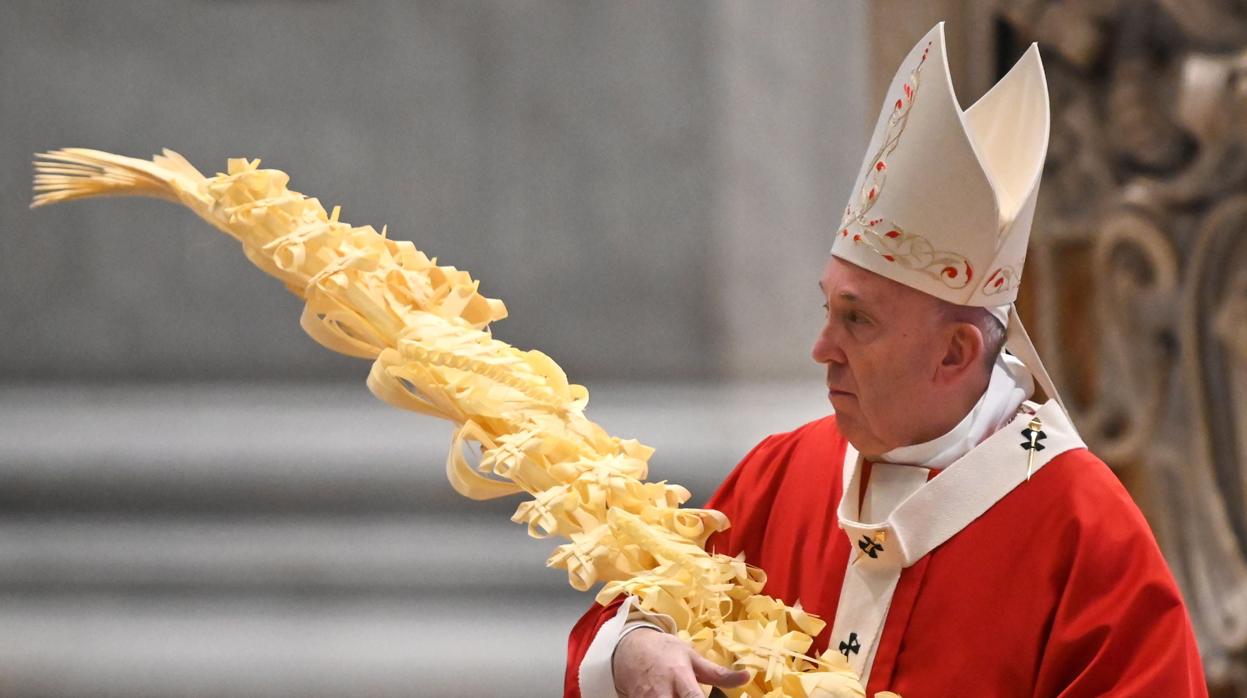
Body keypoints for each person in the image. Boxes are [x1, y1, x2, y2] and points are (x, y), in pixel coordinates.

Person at [564, 22, 1208, 698]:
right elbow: (634, 612)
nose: (822, 350)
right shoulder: (782, 475)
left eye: (857, 321)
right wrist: (634, 648)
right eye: (828, 309)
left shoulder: (1083, 531)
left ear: (954, 352)